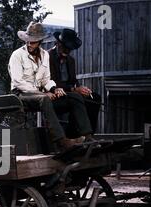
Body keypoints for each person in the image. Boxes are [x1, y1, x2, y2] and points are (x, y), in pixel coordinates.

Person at [8, 22, 95, 150]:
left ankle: (87, 136)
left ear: (40, 41)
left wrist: (54, 89)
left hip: (40, 96)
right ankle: (61, 140)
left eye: (33, 42)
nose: (29, 44)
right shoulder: (17, 55)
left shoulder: (44, 55)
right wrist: (43, 94)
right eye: (28, 41)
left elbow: (46, 80)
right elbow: (18, 82)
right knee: (45, 99)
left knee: (75, 98)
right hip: (20, 95)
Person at [49, 28, 101, 135]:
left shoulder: (71, 61)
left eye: (69, 49)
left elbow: (73, 80)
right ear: (57, 43)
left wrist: (82, 88)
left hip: (70, 92)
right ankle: (72, 133)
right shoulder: (48, 57)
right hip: (55, 92)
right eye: (65, 47)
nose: (67, 51)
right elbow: (50, 81)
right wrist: (74, 89)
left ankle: (88, 135)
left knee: (94, 98)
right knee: (76, 99)